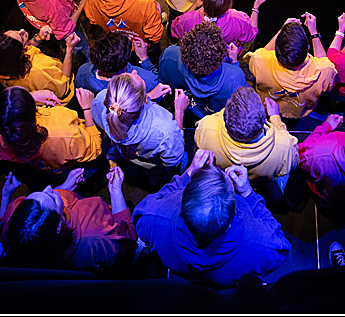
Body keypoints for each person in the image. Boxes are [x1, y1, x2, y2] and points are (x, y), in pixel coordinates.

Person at [133, 149, 289, 287]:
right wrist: (248, 194)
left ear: (184, 201)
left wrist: (188, 174)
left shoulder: (152, 217)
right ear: (229, 221)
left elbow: (141, 216)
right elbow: (281, 251)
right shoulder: (264, 245)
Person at [0, 168, 137, 272]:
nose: (49, 188)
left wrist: (65, 187)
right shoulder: (99, 238)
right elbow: (130, 234)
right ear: (59, 226)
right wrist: (115, 192)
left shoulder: (16, 221)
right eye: (52, 197)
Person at [194, 87, 299, 181]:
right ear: (264, 121)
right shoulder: (285, 147)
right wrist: (275, 118)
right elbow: (293, 165)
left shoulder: (205, 127)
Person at [0, 84, 101, 171]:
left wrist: (32, 97)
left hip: (50, 168)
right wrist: (87, 109)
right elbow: (95, 149)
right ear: (35, 110)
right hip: (76, 157)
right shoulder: (66, 134)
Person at [91, 72, 188, 173]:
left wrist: (148, 96)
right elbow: (173, 160)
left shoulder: (101, 101)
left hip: (132, 157)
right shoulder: (165, 131)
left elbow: (124, 110)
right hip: (154, 163)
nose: (134, 72)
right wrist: (179, 110)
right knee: (183, 158)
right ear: (142, 101)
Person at [246, 14, 337, 121]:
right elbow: (324, 63)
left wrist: (282, 31)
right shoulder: (324, 71)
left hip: (268, 107)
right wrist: (314, 33)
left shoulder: (259, 60)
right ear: (308, 47)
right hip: (297, 112)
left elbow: (263, 53)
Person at [159, 22, 246, 118]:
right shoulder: (235, 77)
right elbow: (241, 102)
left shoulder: (169, 57)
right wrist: (234, 62)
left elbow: (162, 87)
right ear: (220, 55)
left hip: (185, 112)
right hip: (214, 122)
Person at [0, 27, 75, 101]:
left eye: (15, 31)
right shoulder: (39, 69)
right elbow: (63, 86)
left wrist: (38, 38)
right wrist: (69, 49)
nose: (22, 31)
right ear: (20, 54)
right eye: (21, 37)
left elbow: (16, 51)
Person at [74, 30, 164, 98]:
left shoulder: (83, 71)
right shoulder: (144, 79)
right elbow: (158, 84)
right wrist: (144, 58)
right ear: (127, 58)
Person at [171, 0, 262, 49]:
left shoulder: (187, 20)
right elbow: (251, 33)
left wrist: (194, 6)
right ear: (228, 4)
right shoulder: (239, 18)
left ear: (204, 0)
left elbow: (174, 30)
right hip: (225, 59)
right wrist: (256, 8)